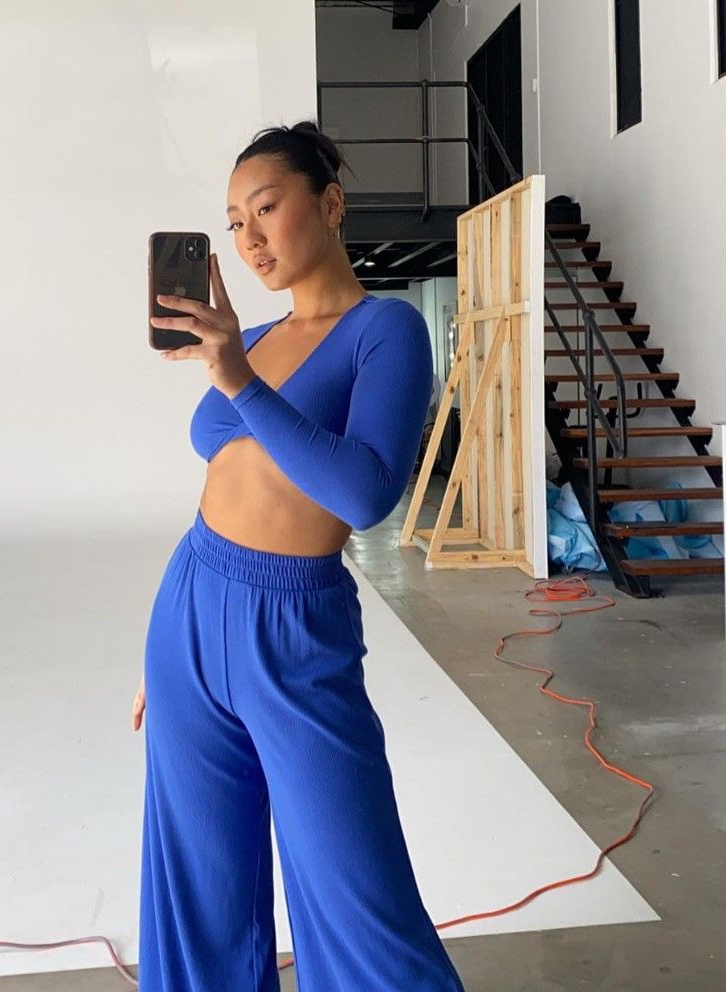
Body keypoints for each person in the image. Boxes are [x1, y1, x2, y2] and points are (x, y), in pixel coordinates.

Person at [132, 119, 468, 992]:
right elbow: (228, 481)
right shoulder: (253, 336)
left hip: (293, 627)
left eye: (266, 208)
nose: (248, 237)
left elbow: (364, 493)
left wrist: (239, 381)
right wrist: (170, 650)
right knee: (199, 891)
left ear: (329, 203)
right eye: (233, 222)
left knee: (356, 896)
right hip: (190, 609)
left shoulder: (384, 329)